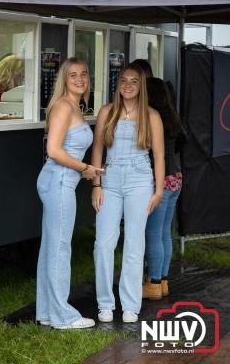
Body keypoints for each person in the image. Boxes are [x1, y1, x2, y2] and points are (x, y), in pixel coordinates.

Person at [91, 64, 164, 323]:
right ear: (118, 84)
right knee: (103, 244)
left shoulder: (151, 115)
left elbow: (159, 155)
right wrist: (96, 185)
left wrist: (158, 190)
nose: (128, 85)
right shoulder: (106, 112)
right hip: (110, 179)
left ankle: (130, 305)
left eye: (134, 81)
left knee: (134, 243)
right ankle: (105, 304)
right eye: (124, 80)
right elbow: (97, 150)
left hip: (139, 180)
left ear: (140, 86)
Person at [36, 57, 103, 329]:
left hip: (59, 180)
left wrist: (85, 170)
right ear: (63, 79)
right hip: (60, 180)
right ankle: (63, 317)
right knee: (60, 249)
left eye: (84, 74)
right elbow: (53, 150)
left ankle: (47, 312)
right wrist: (85, 167)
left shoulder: (75, 106)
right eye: (73, 74)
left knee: (51, 248)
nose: (79, 79)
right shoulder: (64, 106)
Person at [143, 77, 183, 300]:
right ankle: (163, 281)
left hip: (161, 180)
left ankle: (153, 284)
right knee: (165, 232)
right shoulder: (173, 118)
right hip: (176, 178)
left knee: (153, 233)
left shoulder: (152, 118)